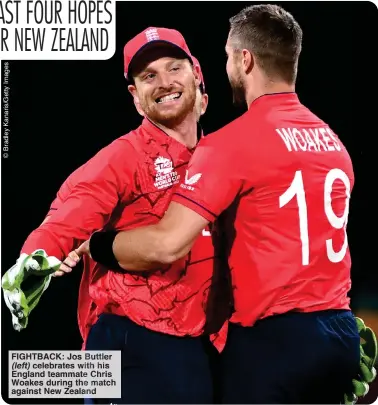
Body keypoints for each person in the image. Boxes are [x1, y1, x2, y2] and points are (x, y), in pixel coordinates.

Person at [80, 5, 366, 404]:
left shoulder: (231, 143)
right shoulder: (334, 144)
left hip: (272, 342)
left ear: (244, 60)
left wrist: (95, 245)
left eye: (228, 57)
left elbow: (167, 244)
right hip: (339, 334)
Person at [8, 27, 229, 404]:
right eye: (148, 76)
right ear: (136, 99)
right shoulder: (124, 156)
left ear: (197, 77)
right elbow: (74, 206)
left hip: (201, 347)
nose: (164, 82)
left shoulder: (225, 158)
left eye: (174, 68)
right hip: (130, 340)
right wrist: (37, 254)